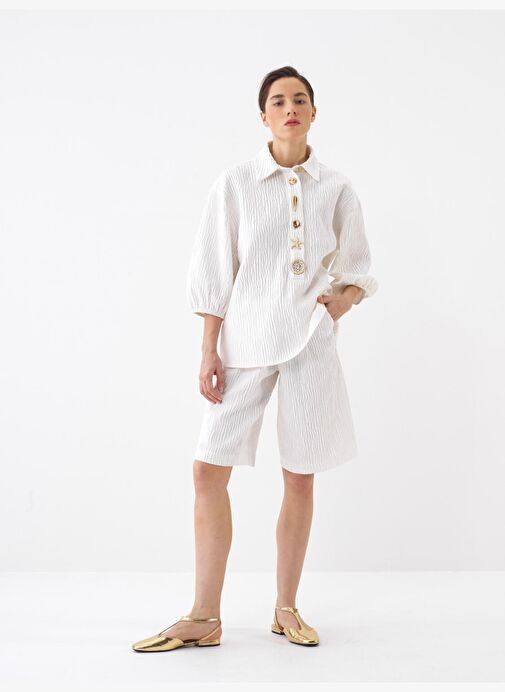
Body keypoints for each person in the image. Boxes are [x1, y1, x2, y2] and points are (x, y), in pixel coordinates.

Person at [132, 65, 378, 653]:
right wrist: (208, 348)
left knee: (299, 475)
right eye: (278, 101)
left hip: (309, 344)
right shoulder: (236, 183)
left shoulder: (336, 187)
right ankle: (204, 616)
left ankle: (285, 609)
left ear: (314, 112)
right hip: (244, 342)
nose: (290, 108)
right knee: (207, 469)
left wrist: (338, 305)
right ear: (263, 116)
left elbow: (358, 269)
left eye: (300, 99)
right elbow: (215, 268)